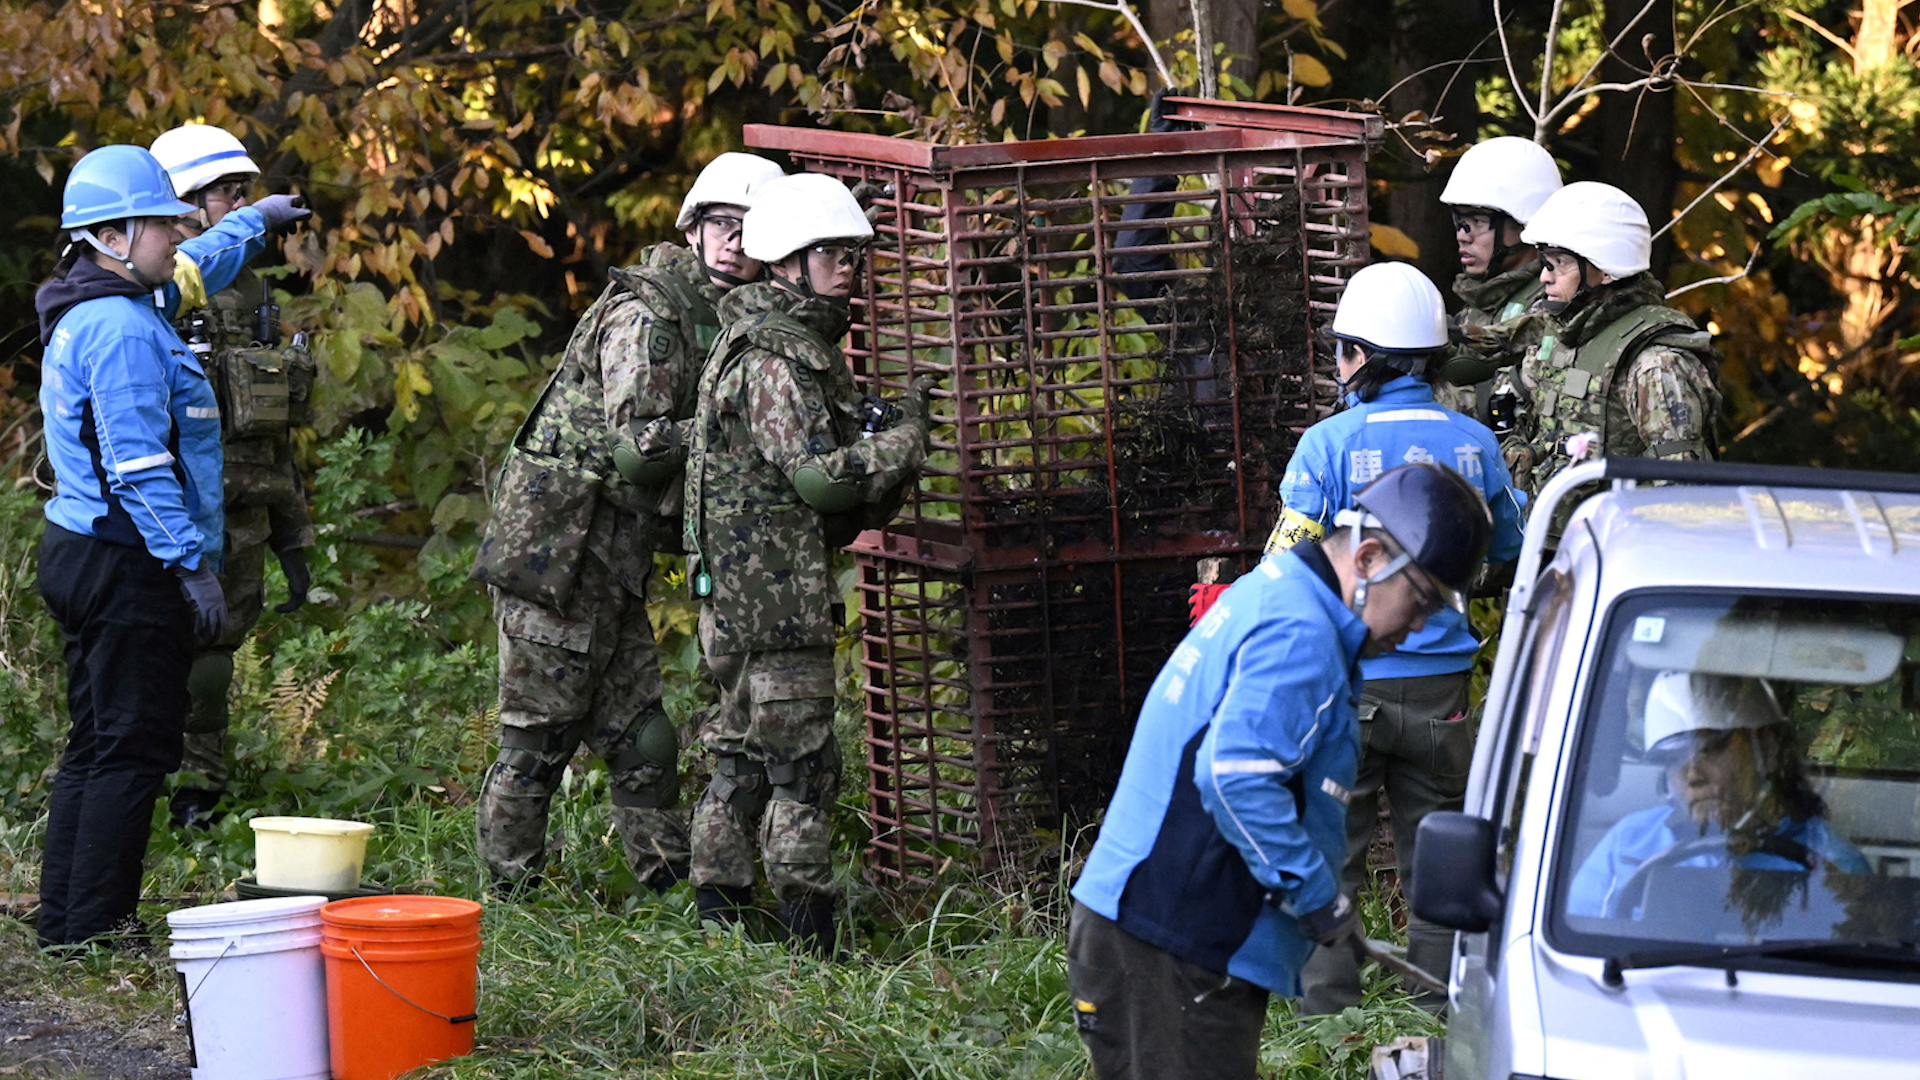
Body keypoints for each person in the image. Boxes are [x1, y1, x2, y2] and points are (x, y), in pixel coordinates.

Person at [1069, 463, 1492, 1080]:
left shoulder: (1285, 594)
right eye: (1421, 600)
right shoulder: (1301, 632)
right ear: (1371, 557)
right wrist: (1316, 895)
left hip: (1164, 936)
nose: (1421, 626)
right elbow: (1236, 777)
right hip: (1171, 944)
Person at [470, 151, 785, 898]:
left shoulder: (722, 316)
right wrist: (730, 432)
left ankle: (667, 888)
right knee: (538, 737)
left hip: (611, 555)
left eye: (751, 229)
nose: (735, 242)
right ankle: (509, 900)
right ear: (695, 227)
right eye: (722, 225)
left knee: (642, 736)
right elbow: (640, 450)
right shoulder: (653, 314)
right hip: (561, 550)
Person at [34, 144, 303, 946]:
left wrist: (251, 222)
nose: (177, 234)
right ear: (113, 235)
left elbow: (197, 263)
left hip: (89, 550)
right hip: (126, 562)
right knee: (135, 749)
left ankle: (68, 918)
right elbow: (138, 463)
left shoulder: (112, 302)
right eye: (162, 224)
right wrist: (189, 563)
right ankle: (95, 926)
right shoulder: (118, 330)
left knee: (99, 742)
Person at [1259, 262, 1526, 1014]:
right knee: (1439, 856)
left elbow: (1286, 565)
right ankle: (1438, 1009)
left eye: (1344, 349)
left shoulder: (1326, 444)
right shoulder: (1476, 443)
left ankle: (1328, 1015)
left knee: (1330, 850)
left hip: (1351, 686)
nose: (1338, 365)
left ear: (1368, 357)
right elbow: (1510, 548)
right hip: (1444, 692)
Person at [683, 171, 931, 953]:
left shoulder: (764, 338)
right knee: (800, 771)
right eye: (832, 255)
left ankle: (721, 923)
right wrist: (904, 439)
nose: (847, 269)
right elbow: (819, 481)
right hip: (772, 603)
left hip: (741, 594)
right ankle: (809, 942)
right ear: (788, 261)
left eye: (853, 255)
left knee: (743, 756)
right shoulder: (778, 357)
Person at [150, 123, 318, 828]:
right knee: (156, 655)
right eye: (227, 192)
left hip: (246, 505)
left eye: (246, 193)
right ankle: (132, 779)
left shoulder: (249, 292)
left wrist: (294, 536)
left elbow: (271, 424)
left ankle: (198, 790)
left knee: (213, 659)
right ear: (184, 200)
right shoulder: (164, 281)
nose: (241, 205)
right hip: (169, 507)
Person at [1568, 671, 1868, 919]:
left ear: (1769, 748)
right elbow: (1578, 951)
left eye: (1710, 749)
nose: (1693, 774)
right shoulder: (1628, 841)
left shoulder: (1832, 860)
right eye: (1673, 760)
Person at [1502, 181, 1720, 497]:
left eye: (1560, 263)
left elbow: (1680, 496)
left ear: (1605, 271)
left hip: (1614, 541)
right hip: (1545, 537)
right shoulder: (1559, 338)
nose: (1544, 276)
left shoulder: (1656, 364)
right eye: (1546, 262)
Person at [1432, 136, 1562, 427]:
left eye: (1478, 222)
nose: (1463, 235)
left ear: (1525, 224)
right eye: (1460, 222)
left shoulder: (1554, 300)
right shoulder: (1483, 301)